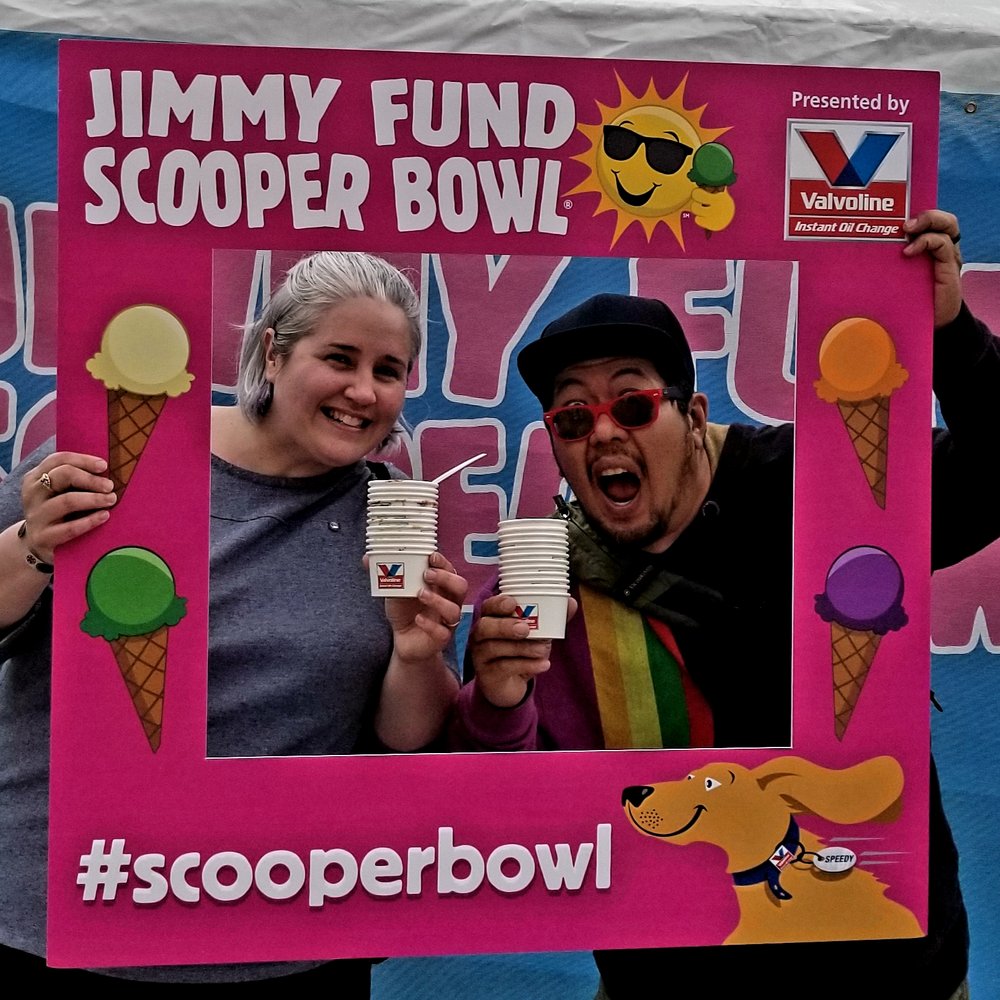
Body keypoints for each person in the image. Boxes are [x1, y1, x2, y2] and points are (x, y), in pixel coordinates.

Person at [451, 210, 994, 1000]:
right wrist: (496, 701)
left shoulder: (818, 483)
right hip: (668, 974)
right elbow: (507, 820)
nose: (602, 433)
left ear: (694, 416)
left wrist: (951, 331)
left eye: (632, 405)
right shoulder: (540, 590)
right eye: (573, 417)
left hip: (884, 964)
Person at [0, 251, 467, 987]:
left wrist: (416, 655)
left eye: (389, 370)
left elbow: (405, 739)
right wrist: (34, 545)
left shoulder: (392, 518)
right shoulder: (121, 457)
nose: (363, 390)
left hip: (285, 921)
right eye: (339, 358)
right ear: (273, 353)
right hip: (68, 906)